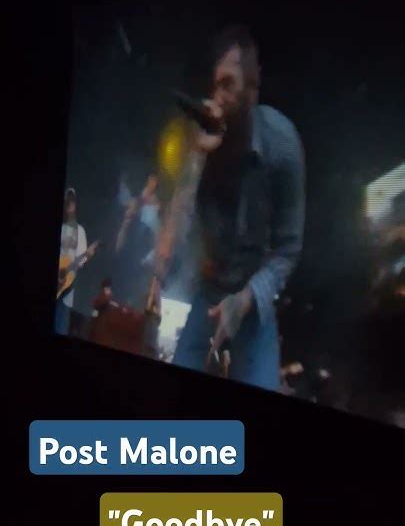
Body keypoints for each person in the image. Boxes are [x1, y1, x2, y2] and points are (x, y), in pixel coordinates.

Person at [156, 25, 305, 391]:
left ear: (252, 87)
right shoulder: (199, 146)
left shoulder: (282, 145)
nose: (216, 98)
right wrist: (196, 161)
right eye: (213, 86)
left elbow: (288, 248)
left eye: (227, 84)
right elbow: (167, 254)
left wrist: (246, 300)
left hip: (252, 300)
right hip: (209, 292)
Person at [114, 173, 161, 309]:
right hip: (128, 248)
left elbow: (155, 233)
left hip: (140, 250)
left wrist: (148, 258)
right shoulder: (136, 200)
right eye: (150, 181)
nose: (151, 185)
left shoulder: (154, 206)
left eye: (154, 183)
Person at [55, 188, 95, 335]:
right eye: (68, 201)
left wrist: (87, 255)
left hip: (66, 294)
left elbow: (80, 262)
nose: (70, 205)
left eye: (72, 202)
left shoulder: (80, 231)